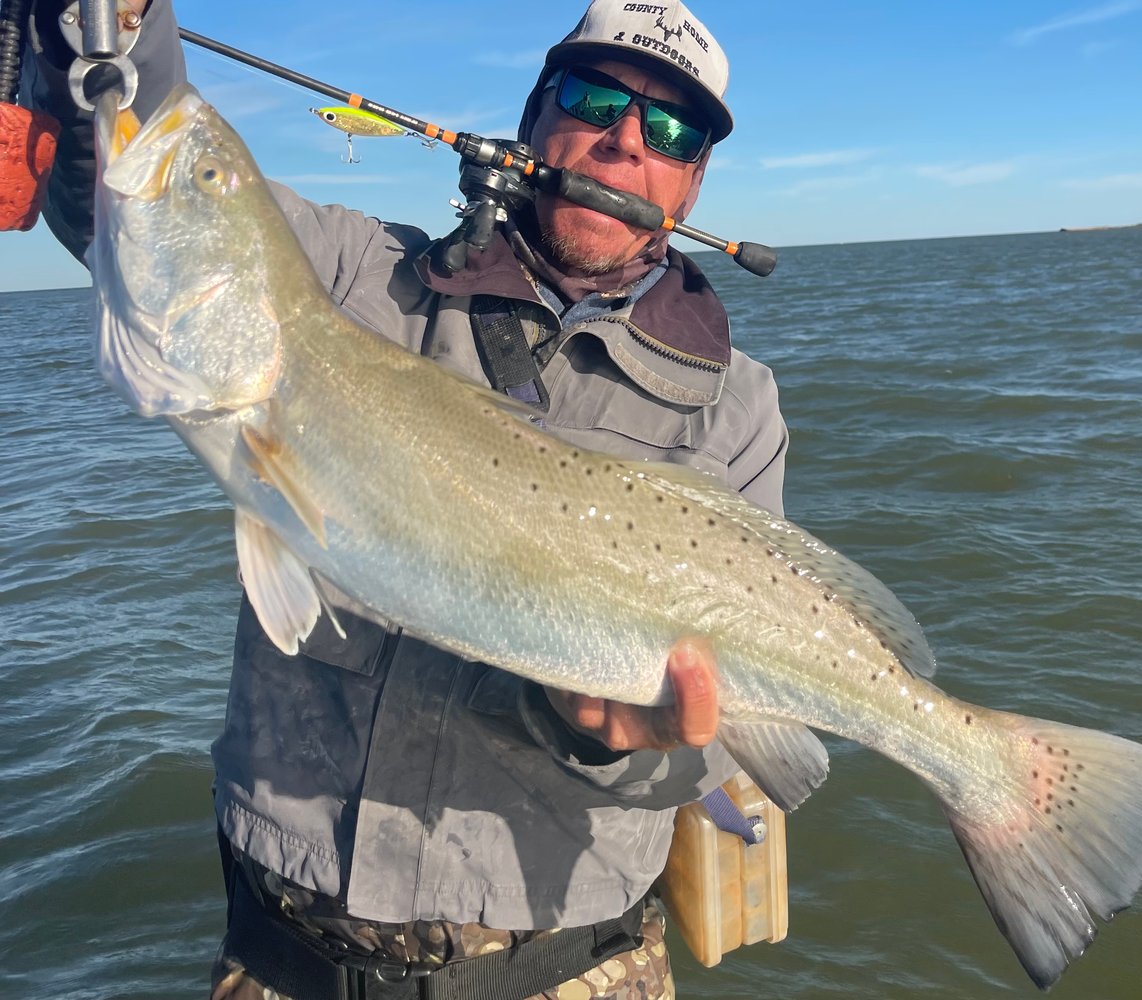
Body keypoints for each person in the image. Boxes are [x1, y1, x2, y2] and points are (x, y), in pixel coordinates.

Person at [24, 1, 789, 997]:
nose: (625, 139)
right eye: (594, 96)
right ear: (537, 115)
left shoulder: (736, 408)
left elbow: (723, 741)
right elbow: (143, 187)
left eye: (672, 130)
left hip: (569, 970)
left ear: (691, 183)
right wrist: (119, 30)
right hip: (278, 957)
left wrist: (618, 747)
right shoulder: (353, 274)